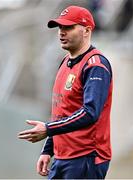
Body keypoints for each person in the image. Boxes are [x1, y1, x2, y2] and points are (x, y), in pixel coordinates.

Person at [18, 5, 113, 179]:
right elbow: (62, 111)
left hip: (85, 157)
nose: (62, 32)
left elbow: (90, 112)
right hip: (62, 157)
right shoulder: (64, 62)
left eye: (68, 27)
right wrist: (48, 149)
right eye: (60, 27)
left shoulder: (95, 65)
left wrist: (48, 129)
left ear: (86, 30)